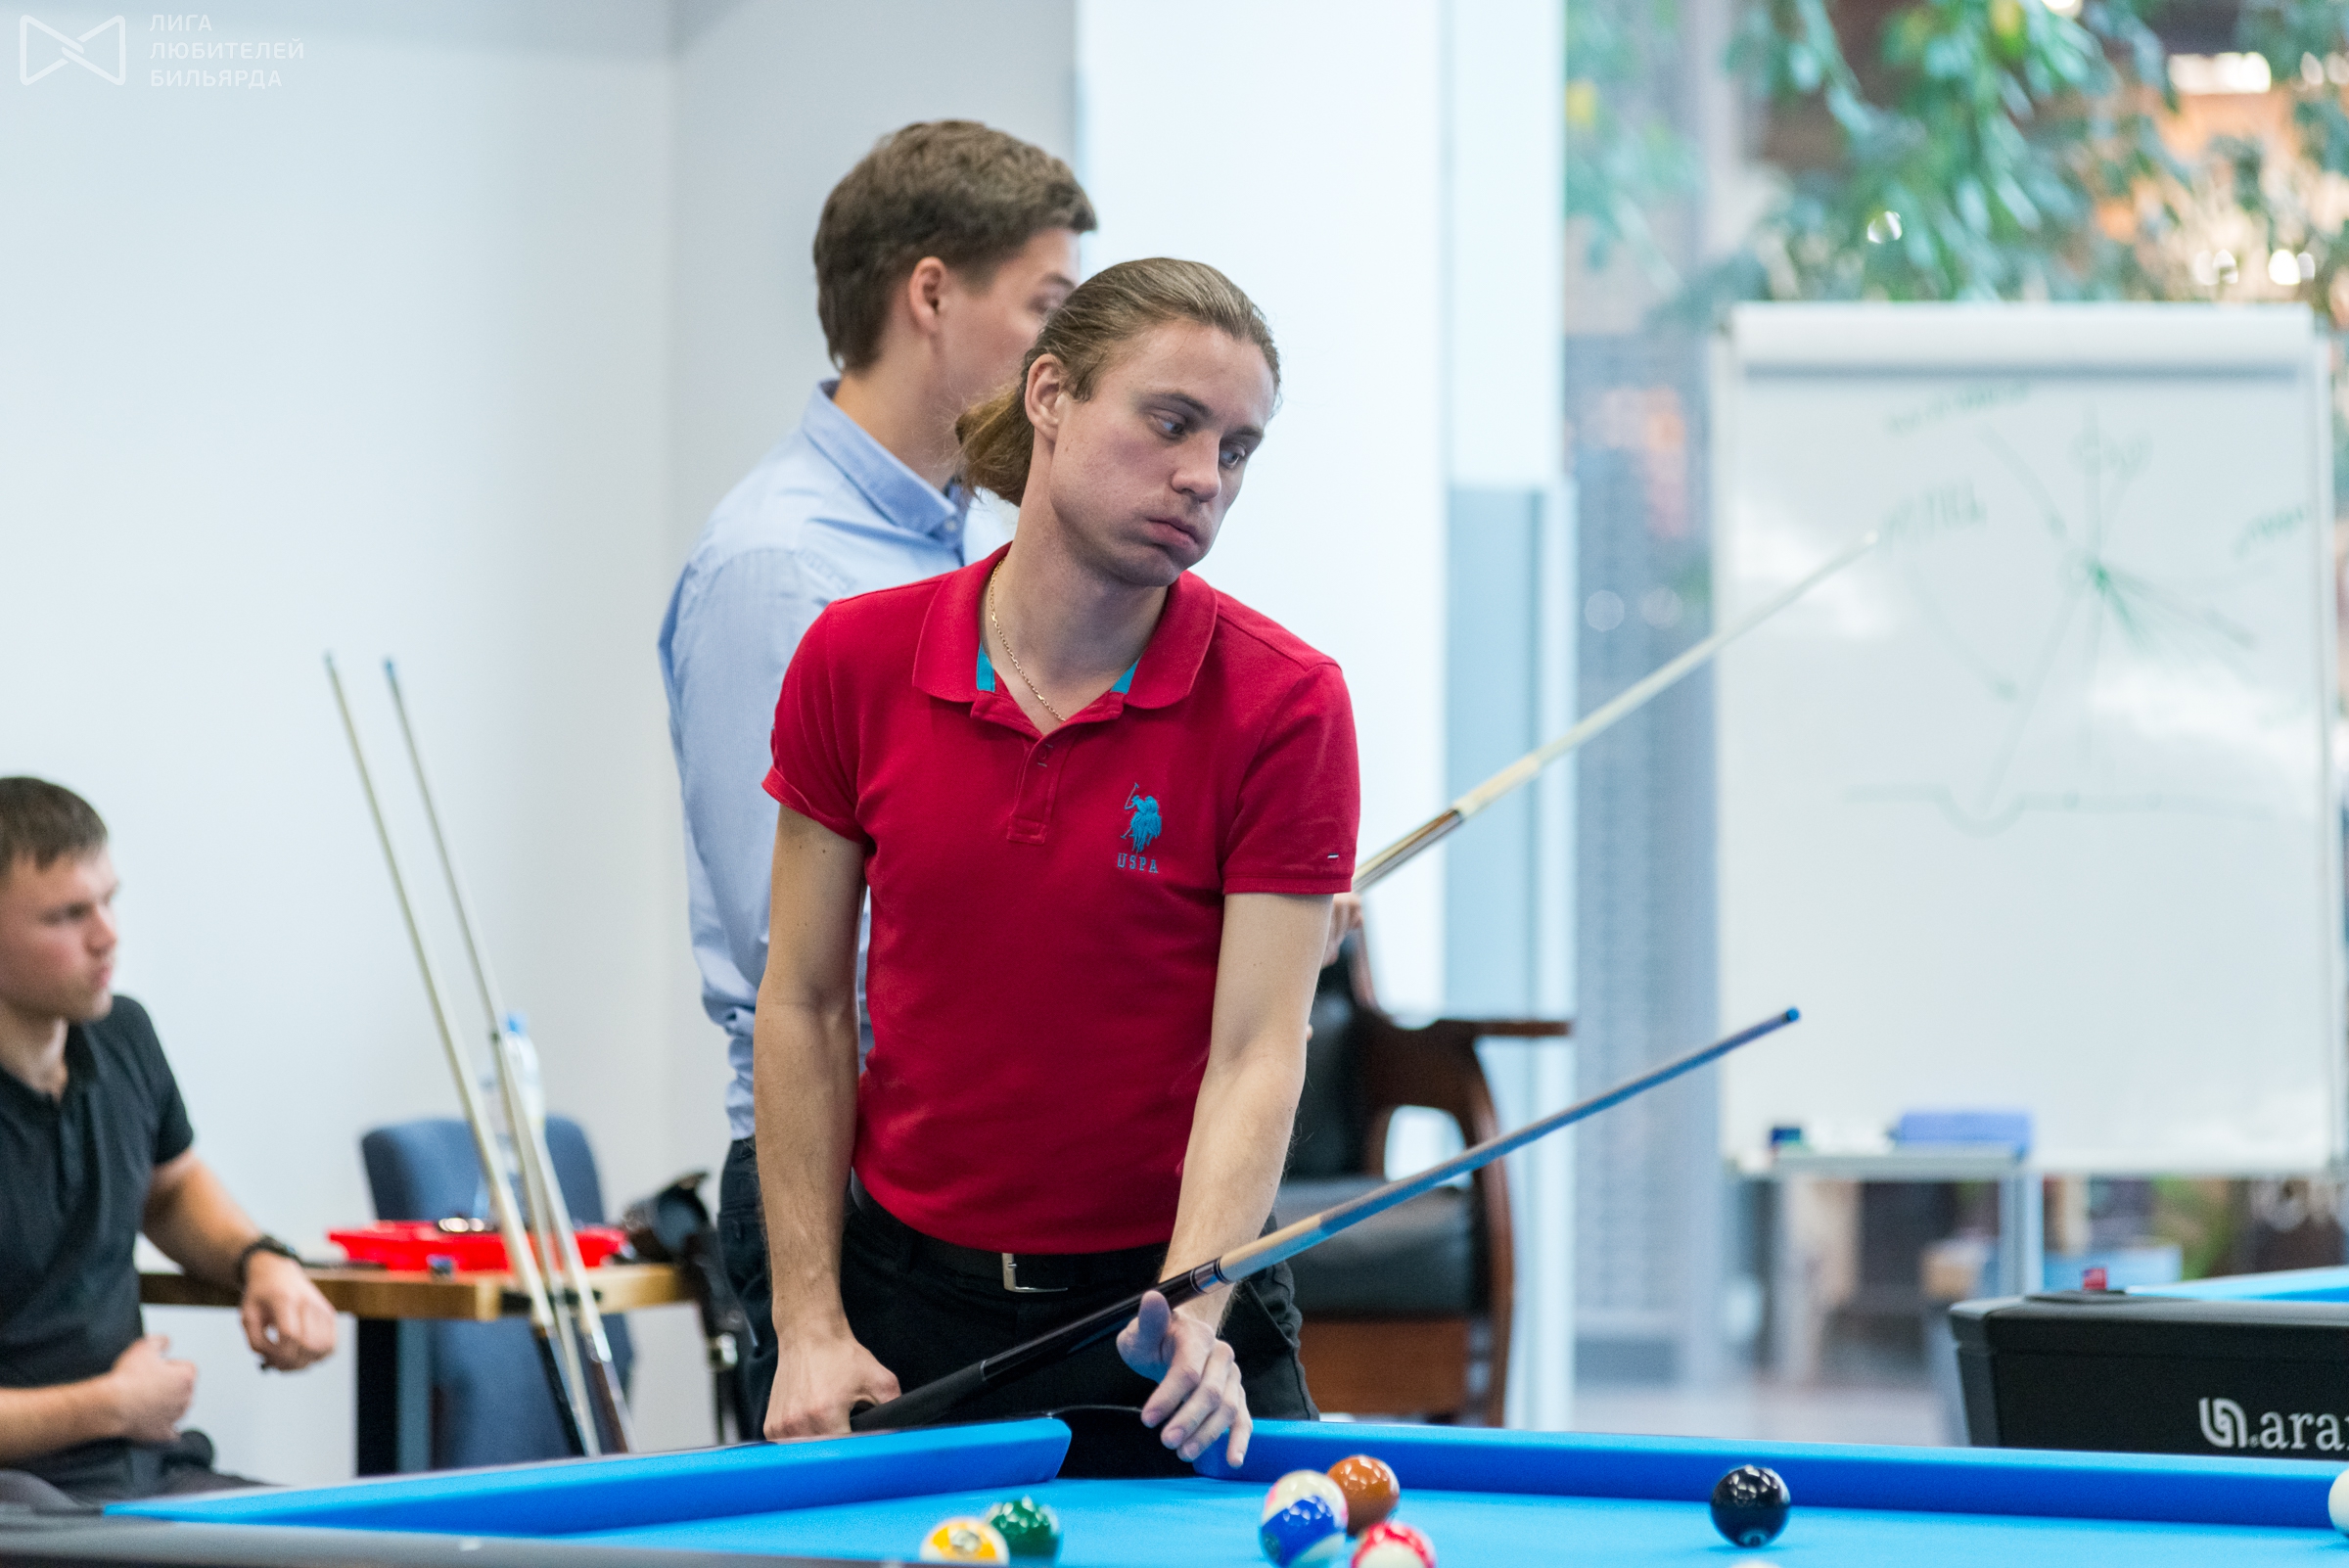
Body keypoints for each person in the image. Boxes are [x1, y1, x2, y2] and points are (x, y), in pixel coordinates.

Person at [755, 258, 1359, 1468]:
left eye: (1236, 449)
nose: (1205, 476)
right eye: (1172, 423)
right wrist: (809, 1325)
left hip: (1168, 1313)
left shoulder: (1289, 703)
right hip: (906, 1313)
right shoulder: (853, 661)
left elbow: (1257, 1050)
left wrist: (1198, 1311)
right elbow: (805, 1002)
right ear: (1049, 396)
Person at [658, 122, 1094, 1422]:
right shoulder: (782, 568)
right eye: (1049, 307)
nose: (1069, 357)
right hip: (842, 1188)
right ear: (931, 296)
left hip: (963, 1172)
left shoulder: (966, 547)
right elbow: (796, 955)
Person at [0, 779, 337, 1506]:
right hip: (23, 1492)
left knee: (359, 1545)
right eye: (68, 915)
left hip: (146, 1466)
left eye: (108, 901)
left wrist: (262, 1260)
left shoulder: (123, 1034)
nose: (107, 935)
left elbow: (171, 1187)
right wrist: (109, 1406)